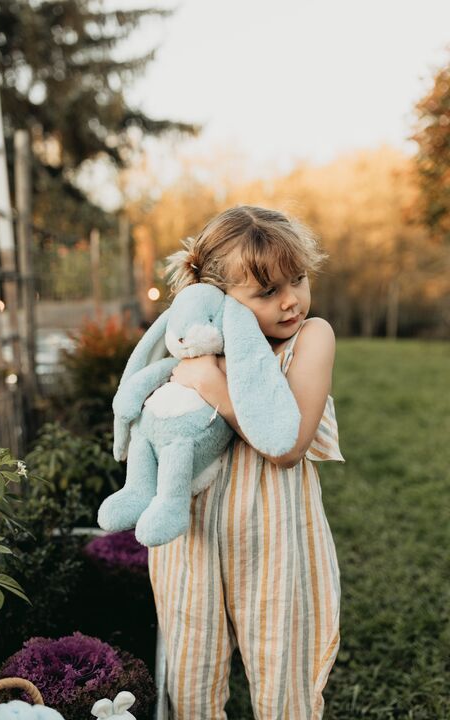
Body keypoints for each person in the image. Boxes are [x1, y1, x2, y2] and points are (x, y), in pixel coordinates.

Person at [147, 205, 345, 720]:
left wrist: (214, 386)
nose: (291, 300)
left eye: (297, 279)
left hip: (276, 536)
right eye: (266, 292)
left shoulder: (310, 339)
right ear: (217, 298)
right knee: (191, 659)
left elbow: (288, 445)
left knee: (283, 659)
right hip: (195, 532)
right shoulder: (194, 342)